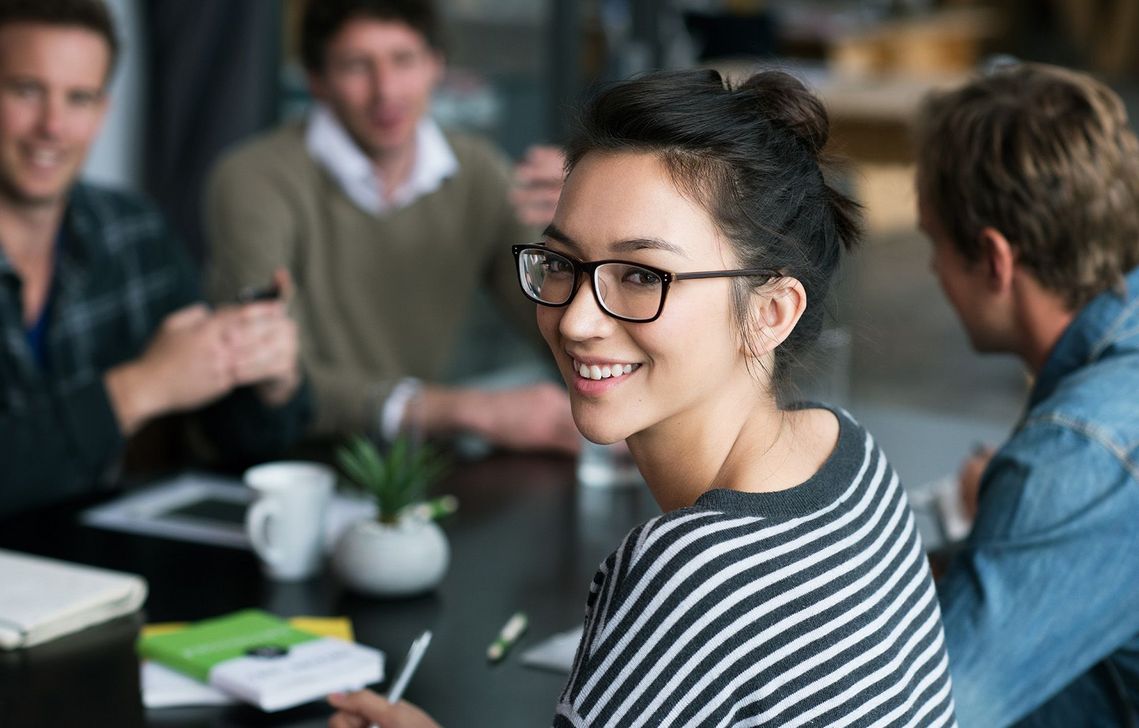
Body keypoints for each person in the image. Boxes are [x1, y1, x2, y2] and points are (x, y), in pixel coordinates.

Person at [328, 69, 957, 727]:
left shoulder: (692, 573)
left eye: (640, 275)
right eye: (561, 262)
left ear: (771, 312)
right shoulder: (846, 453)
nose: (575, 320)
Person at [205, 0, 577, 453]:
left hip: (409, 466)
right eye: (357, 66)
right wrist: (466, 409)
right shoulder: (254, 178)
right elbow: (271, 372)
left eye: (404, 60)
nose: (386, 91)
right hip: (283, 462)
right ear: (317, 81)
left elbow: (555, 325)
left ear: (436, 64)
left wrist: (584, 230)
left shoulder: (476, 171)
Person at [0, 0, 309, 516]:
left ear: (102, 113)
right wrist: (139, 388)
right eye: (26, 91)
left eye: (79, 98)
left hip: (95, 571)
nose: (52, 126)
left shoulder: (133, 231)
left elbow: (240, 441)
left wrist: (268, 377)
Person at [914, 63, 1139, 725]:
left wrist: (1034, 500)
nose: (930, 270)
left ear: (994, 259)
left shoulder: (1075, 454)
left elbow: (935, 713)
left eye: (933, 244)